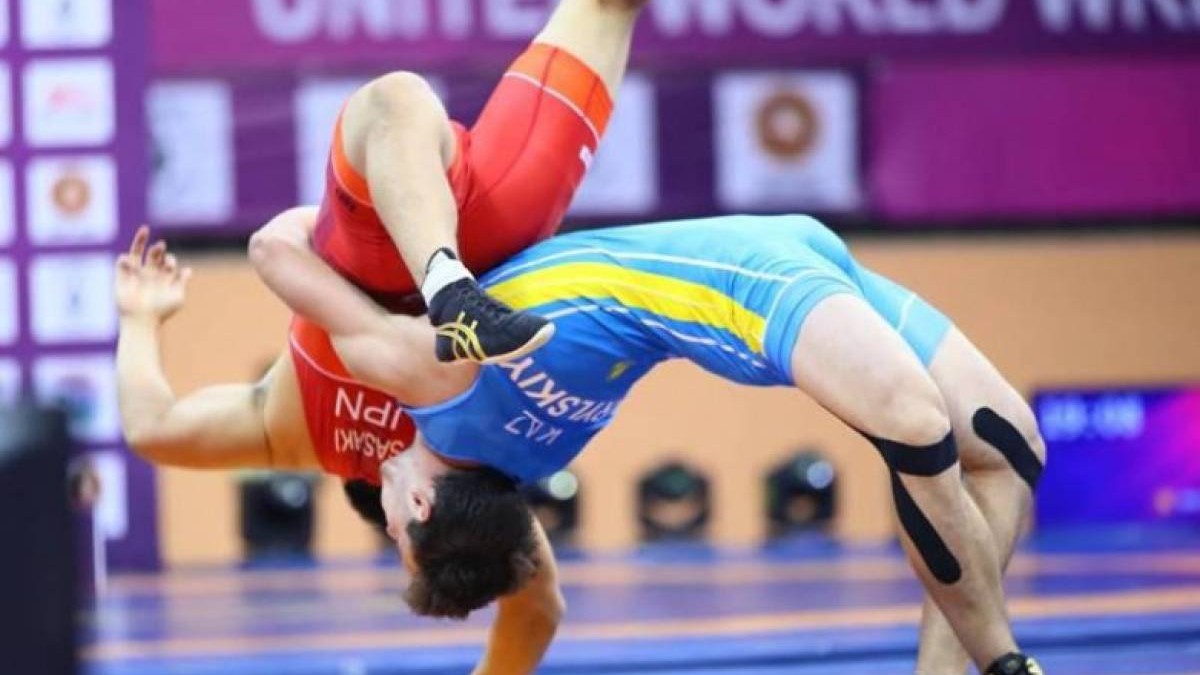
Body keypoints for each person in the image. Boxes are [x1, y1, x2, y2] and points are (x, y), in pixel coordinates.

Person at [252, 211, 1048, 675]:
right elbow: (275, 246)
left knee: (1011, 453)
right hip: (749, 293)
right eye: (394, 535)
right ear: (424, 502)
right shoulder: (456, 414)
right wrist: (341, 216)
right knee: (917, 427)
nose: (382, 516)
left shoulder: (495, 436)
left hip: (779, 257)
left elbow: (534, 581)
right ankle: (1007, 661)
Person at [249, 0, 649, 364]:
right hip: (487, 214)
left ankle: (448, 287)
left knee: (608, 7)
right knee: (395, 96)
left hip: (426, 234)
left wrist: (364, 318)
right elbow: (269, 246)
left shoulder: (313, 377)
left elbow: (269, 245)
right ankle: (447, 288)